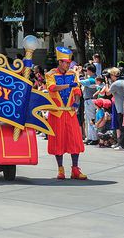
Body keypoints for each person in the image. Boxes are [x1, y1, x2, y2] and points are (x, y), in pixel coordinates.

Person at [44, 47, 87, 180]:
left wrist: (77, 102)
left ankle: (75, 169)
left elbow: (78, 91)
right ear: (59, 62)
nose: (68, 64)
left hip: (70, 113)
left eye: (69, 62)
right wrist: (69, 86)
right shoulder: (50, 74)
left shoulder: (72, 74)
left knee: (74, 140)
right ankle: (60, 169)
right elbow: (52, 88)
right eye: (65, 62)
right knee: (58, 141)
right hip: (56, 113)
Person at [79, 64, 99, 145]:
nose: (86, 72)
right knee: (89, 120)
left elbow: (79, 81)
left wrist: (77, 73)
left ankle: (93, 138)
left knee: (91, 119)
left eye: (86, 70)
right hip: (91, 101)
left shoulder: (92, 79)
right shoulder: (95, 78)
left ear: (90, 71)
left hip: (90, 101)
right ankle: (90, 137)